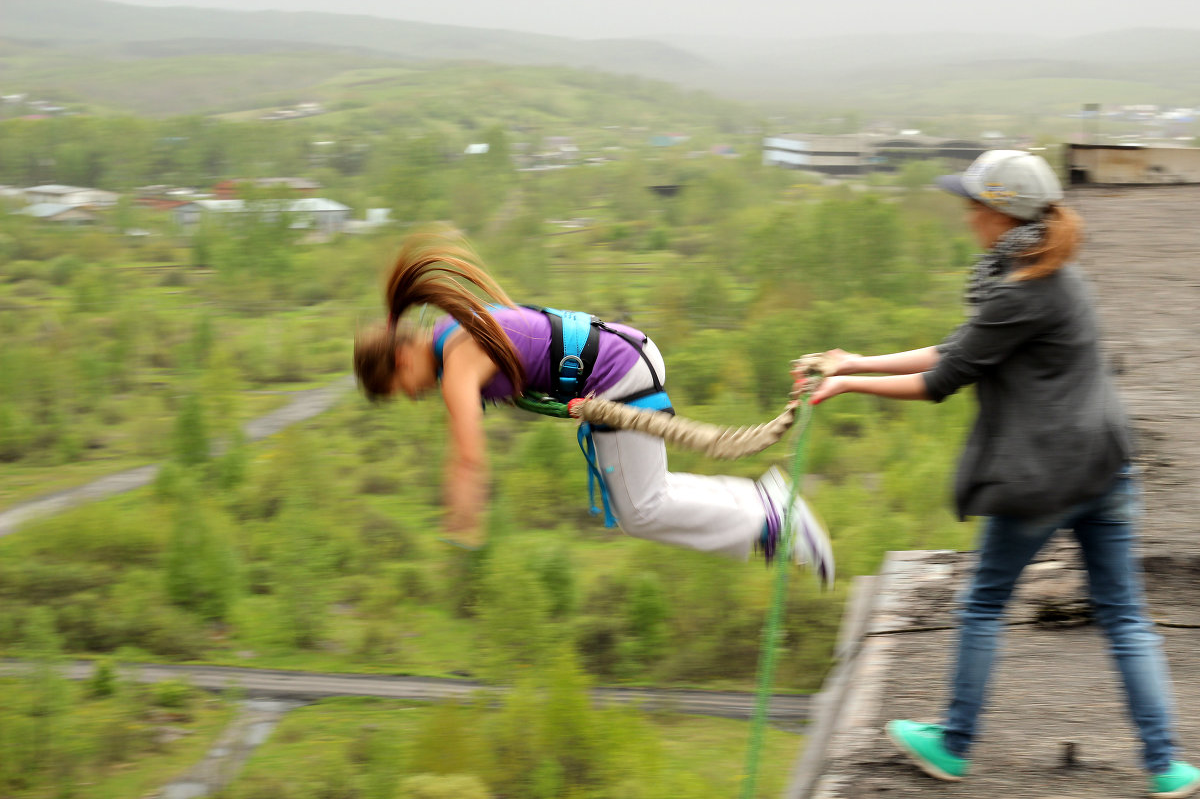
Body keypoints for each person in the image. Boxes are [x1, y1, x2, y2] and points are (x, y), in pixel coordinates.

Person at [797, 150, 1197, 797]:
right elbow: (967, 342)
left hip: (1045, 478)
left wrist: (847, 387)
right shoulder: (1057, 274)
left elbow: (942, 378)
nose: (964, 213)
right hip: (1106, 469)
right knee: (1125, 616)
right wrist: (855, 362)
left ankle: (954, 745)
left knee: (983, 603)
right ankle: (1166, 766)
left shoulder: (1021, 292)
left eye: (972, 203)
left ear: (996, 215)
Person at [353, 232, 833, 584]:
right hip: (624, 357)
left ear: (401, 360)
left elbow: (467, 455)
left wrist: (461, 514)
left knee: (642, 510)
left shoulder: (456, 361)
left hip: (618, 372)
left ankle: (775, 520)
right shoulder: (455, 334)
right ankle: (764, 507)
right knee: (642, 505)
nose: (416, 396)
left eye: (405, 388)